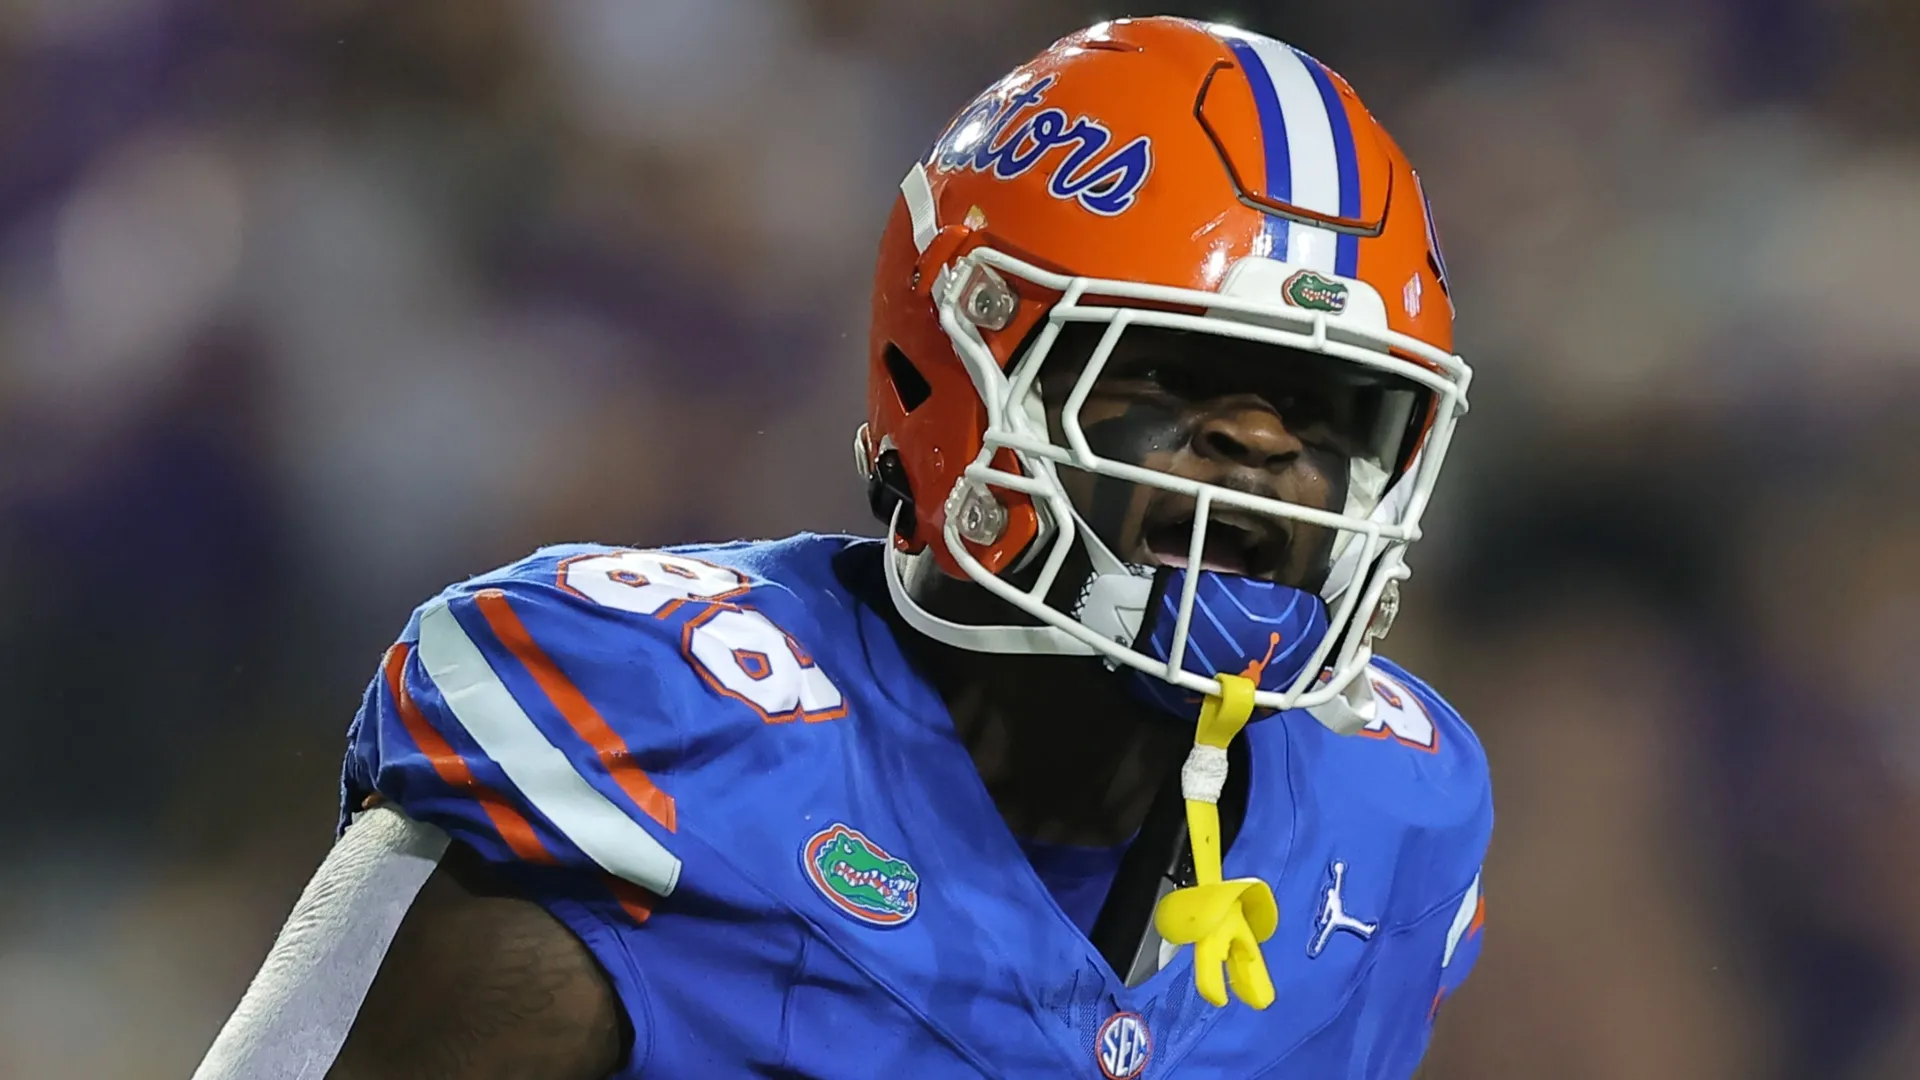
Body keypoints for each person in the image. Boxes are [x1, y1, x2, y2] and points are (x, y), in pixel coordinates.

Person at [194, 16, 1491, 1080]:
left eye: (1325, 410)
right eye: (1171, 374)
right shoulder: (668, 746)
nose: (1266, 449)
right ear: (962, 372)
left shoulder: (1390, 827)